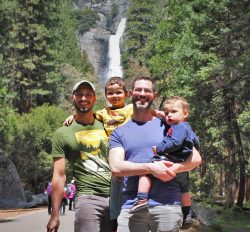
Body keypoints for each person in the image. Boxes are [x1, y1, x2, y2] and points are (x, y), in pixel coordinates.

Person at [109, 76, 202, 232]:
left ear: (155, 95)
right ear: (131, 93)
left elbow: (196, 159)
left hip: (168, 206)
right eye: (138, 89)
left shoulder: (170, 126)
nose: (142, 93)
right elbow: (116, 167)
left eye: (147, 90)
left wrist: (167, 169)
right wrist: (151, 168)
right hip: (131, 207)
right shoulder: (119, 133)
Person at [63, 76, 133, 231]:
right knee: (116, 187)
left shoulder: (131, 109)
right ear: (105, 95)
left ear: (127, 94)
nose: (114, 96)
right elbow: (86, 114)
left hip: (130, 154)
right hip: (114, 157)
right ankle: (115, 219)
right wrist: (72, 117)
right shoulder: (103, 113)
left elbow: (147, 114)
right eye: (110, 93)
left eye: (118, 92)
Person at [46, 80, 112, 232]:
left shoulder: (107, 123)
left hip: (116, 196)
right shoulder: (62, 133)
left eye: (88, 94)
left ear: (95, 98)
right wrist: (55, 215)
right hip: (88, 197)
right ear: (73, 98)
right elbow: (59, 176)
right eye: (79, 94)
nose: (84, 98)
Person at [130, 96, 199, 228]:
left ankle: (141, 199)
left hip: (170, 159)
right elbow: (195, 142)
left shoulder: (179, 127)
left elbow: (175, 142)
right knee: (184, 189)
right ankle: (187, 213)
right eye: (167, 113)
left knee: (145, 170)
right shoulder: (187, 127)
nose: (169, 116)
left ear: (185, 114)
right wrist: (158, 113)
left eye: (173, 112)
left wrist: (159, 149)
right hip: (182, 167)